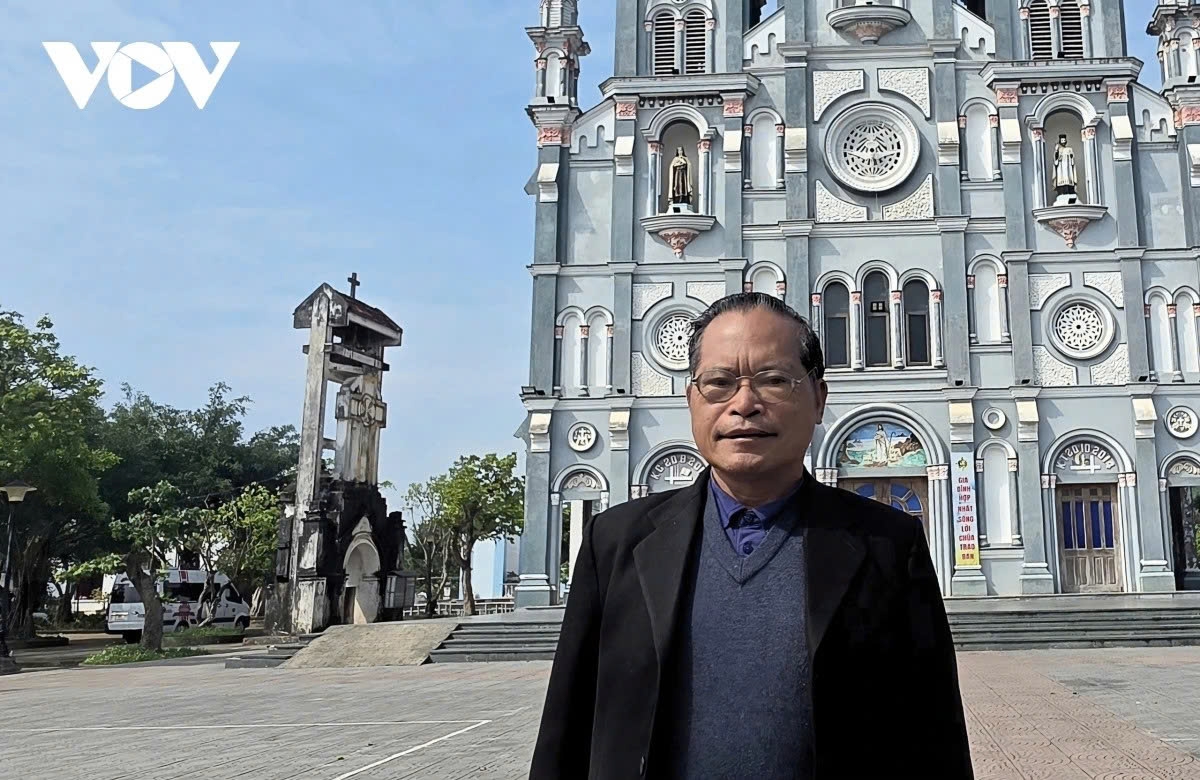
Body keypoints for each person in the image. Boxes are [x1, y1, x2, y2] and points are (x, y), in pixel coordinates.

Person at [529, 292, 973, 779]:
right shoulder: (615, 543)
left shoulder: (889, 544)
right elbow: (566, 732)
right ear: (691, 400)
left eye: (774, 381)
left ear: (819, 399)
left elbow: (935, 737)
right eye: (718, 383)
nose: (744, 404)